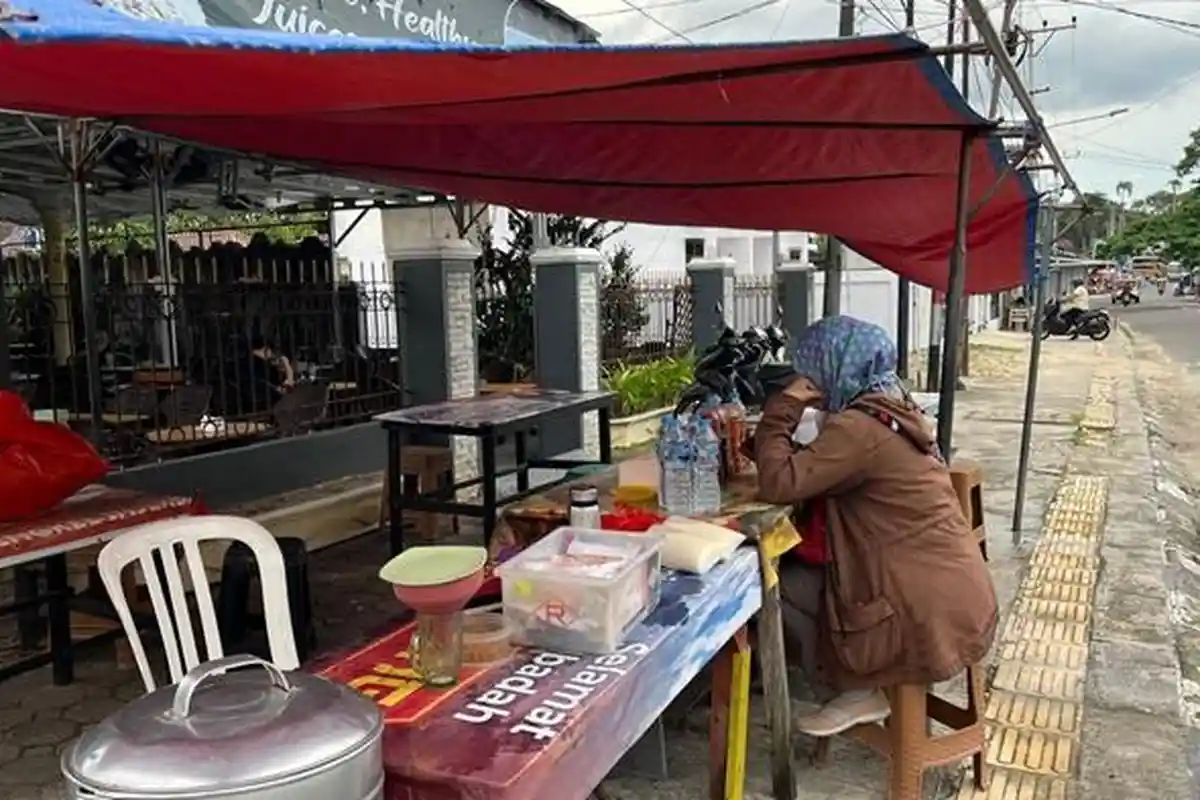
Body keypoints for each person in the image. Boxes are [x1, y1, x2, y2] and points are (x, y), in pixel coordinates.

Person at [753, 315, 997, 737]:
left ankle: (855, 688)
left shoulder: (858, 427)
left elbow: (779, 483)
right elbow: (826, 470)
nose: (806, 378)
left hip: (921, 607)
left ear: (834, 366)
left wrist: (784, 406)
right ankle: (857, 685)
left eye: (810, 368)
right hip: (956, 593)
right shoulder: (891, 406)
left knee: (777, 584)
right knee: (811, 580)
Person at [230, 334, 295, 415]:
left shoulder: (268, 364)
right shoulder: (254, 361)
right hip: (252, 395)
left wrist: (287, 370)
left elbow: (289, 381)